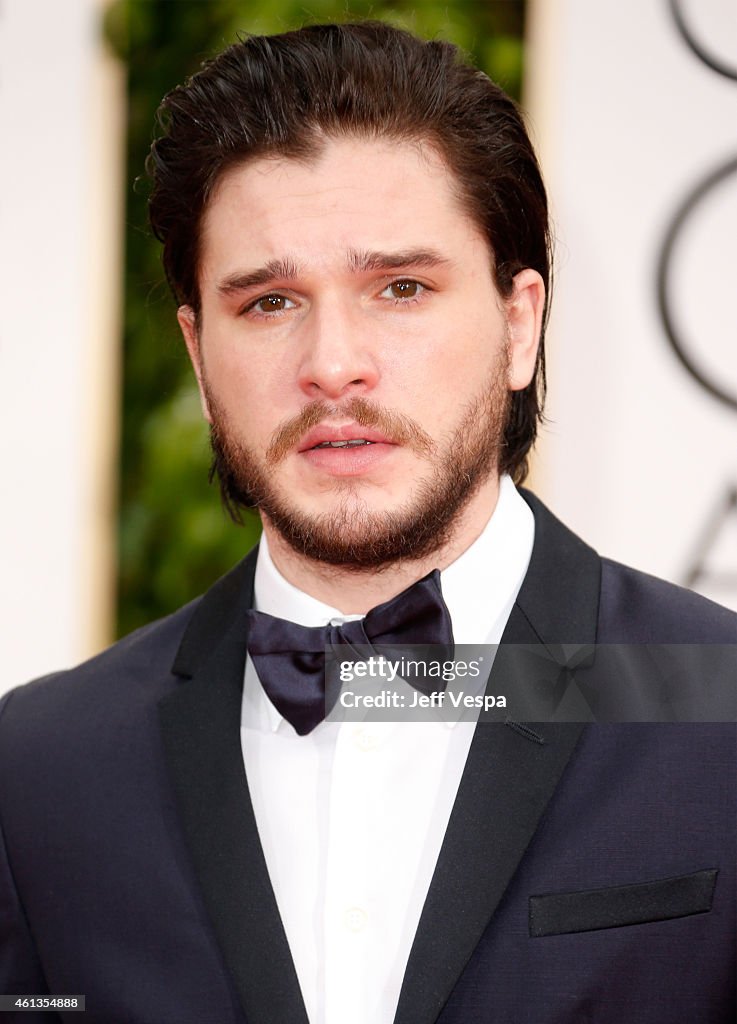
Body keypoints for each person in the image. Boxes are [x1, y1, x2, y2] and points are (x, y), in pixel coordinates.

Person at [0, 21, 734, 1024]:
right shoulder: (40, 769)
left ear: (518, 324)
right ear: (198, 353)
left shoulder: (718, 710)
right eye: (267, 303)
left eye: (399, 287)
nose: (332, 362)